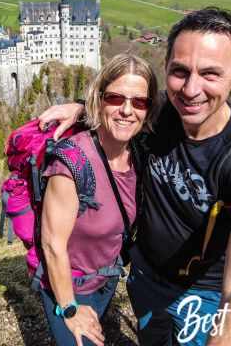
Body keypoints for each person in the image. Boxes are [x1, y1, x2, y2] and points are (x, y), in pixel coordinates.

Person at [38, 8, 231, 345]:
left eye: (210, 73)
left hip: (205, 296)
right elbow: (124, 111)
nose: (191, 89)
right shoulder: (163, 114)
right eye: (180, 72)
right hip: (145, 279)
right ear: (167, 67)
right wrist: (83, 109)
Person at [39, 53, 159, 346]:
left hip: (107, 279)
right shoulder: (73, 162)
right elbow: (52, 244)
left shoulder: (141, 153)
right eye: (116, 98)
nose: (127, 110)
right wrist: (69, 308)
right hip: (69, 285)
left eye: (139, 102)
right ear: (99, 99)